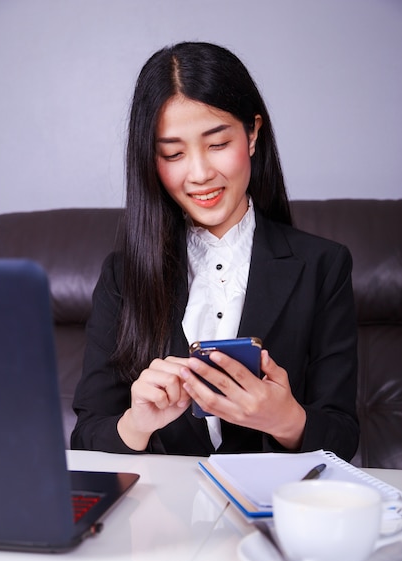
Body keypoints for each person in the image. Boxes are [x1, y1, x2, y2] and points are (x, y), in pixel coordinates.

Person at [71, 41, 359, 461]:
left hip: (273, 513)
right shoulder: (123, 276)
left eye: (218, 144)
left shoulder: (323, 266)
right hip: (161, 518)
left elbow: (344, 436)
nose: (201, 173)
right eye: (173, 153)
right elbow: (86, 439)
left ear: (253, 133)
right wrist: (137, 423)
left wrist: (286, 419)